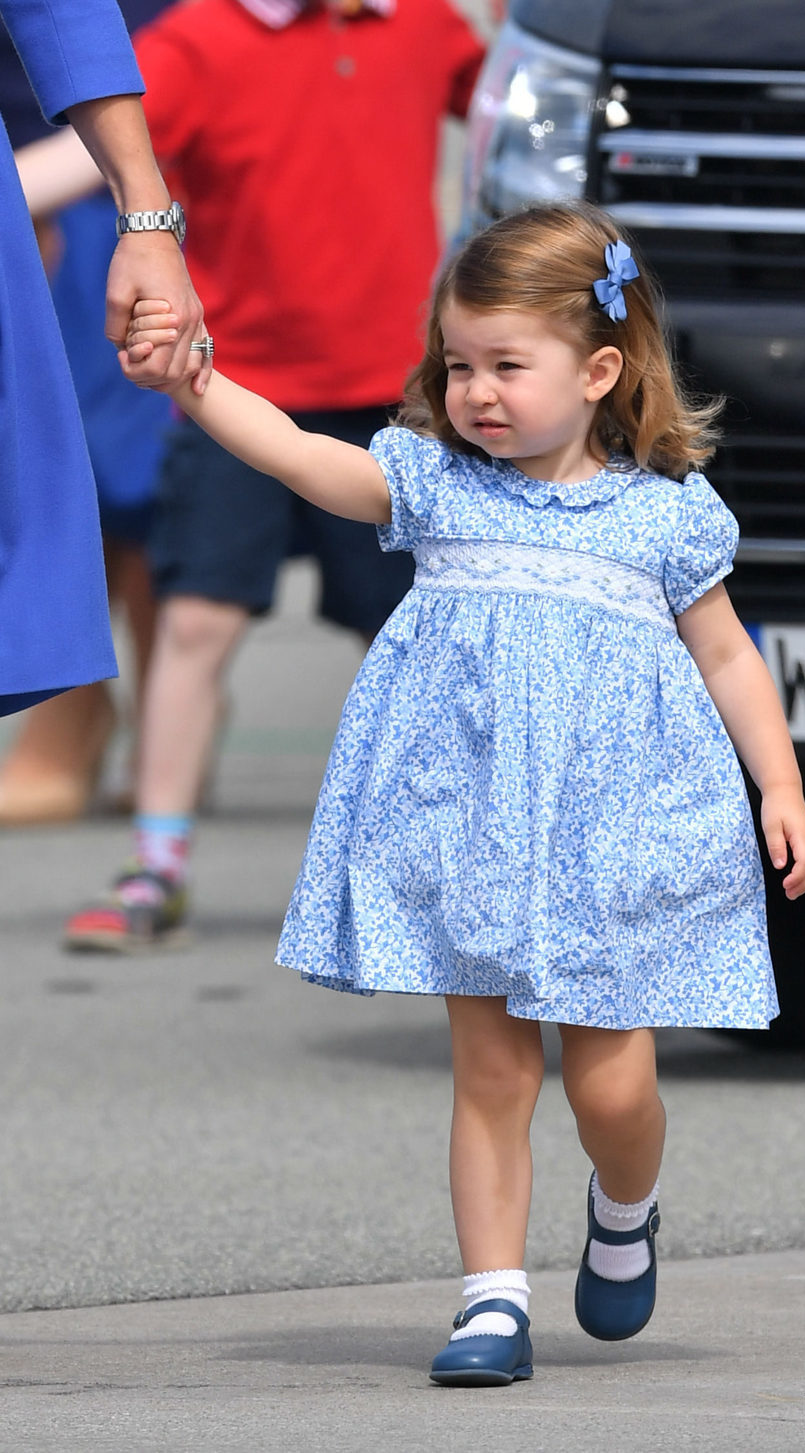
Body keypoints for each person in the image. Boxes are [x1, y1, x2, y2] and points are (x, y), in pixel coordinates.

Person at [119, 200, 805, 1385]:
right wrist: (198, 386)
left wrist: (781, 785)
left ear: (599, 370)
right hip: (468, 821)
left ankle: (623, 1199)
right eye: (458, 365)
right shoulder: (439, 484)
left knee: (613, 1084)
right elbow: (303, 454)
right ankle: (490, 1300)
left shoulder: (661, 511)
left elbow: (724, 655)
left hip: (614, 828)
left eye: (508, 365)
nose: (477, 392)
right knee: (492, 1071)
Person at [60, 0, 486, 949]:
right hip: (236, 391)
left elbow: (513, 103)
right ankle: (155, 861)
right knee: (197, 616)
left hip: (395, 397)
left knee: (420, 631)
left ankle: (466, 857)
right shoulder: (201, 38)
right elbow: (93, 139)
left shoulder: (419, 22)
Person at [0, 0, 206, 721]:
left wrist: (143, 216)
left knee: (125, 469)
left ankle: (137, 721)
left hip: (74, 174)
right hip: (48, 174)